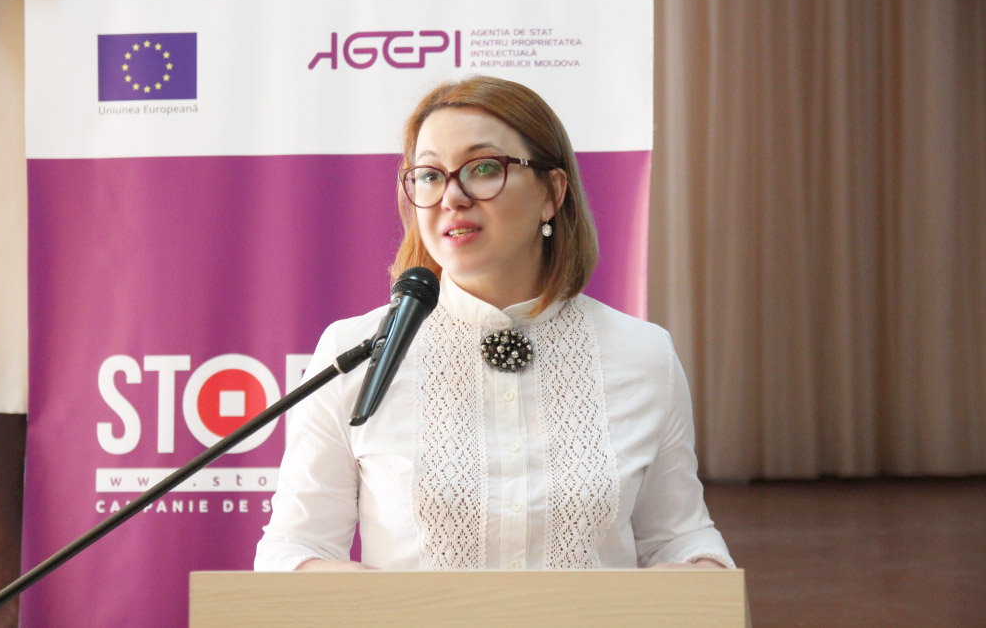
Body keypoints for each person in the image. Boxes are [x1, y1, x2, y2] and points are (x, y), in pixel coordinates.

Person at [254, 76, 734, 572]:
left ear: (552, 192)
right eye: (430, 175)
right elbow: (294, 547)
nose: (452, 196)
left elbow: (679, 536)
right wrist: (381, 603)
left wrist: (700, 570)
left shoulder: (644, 355)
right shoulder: (355, 350)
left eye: (483, 168)